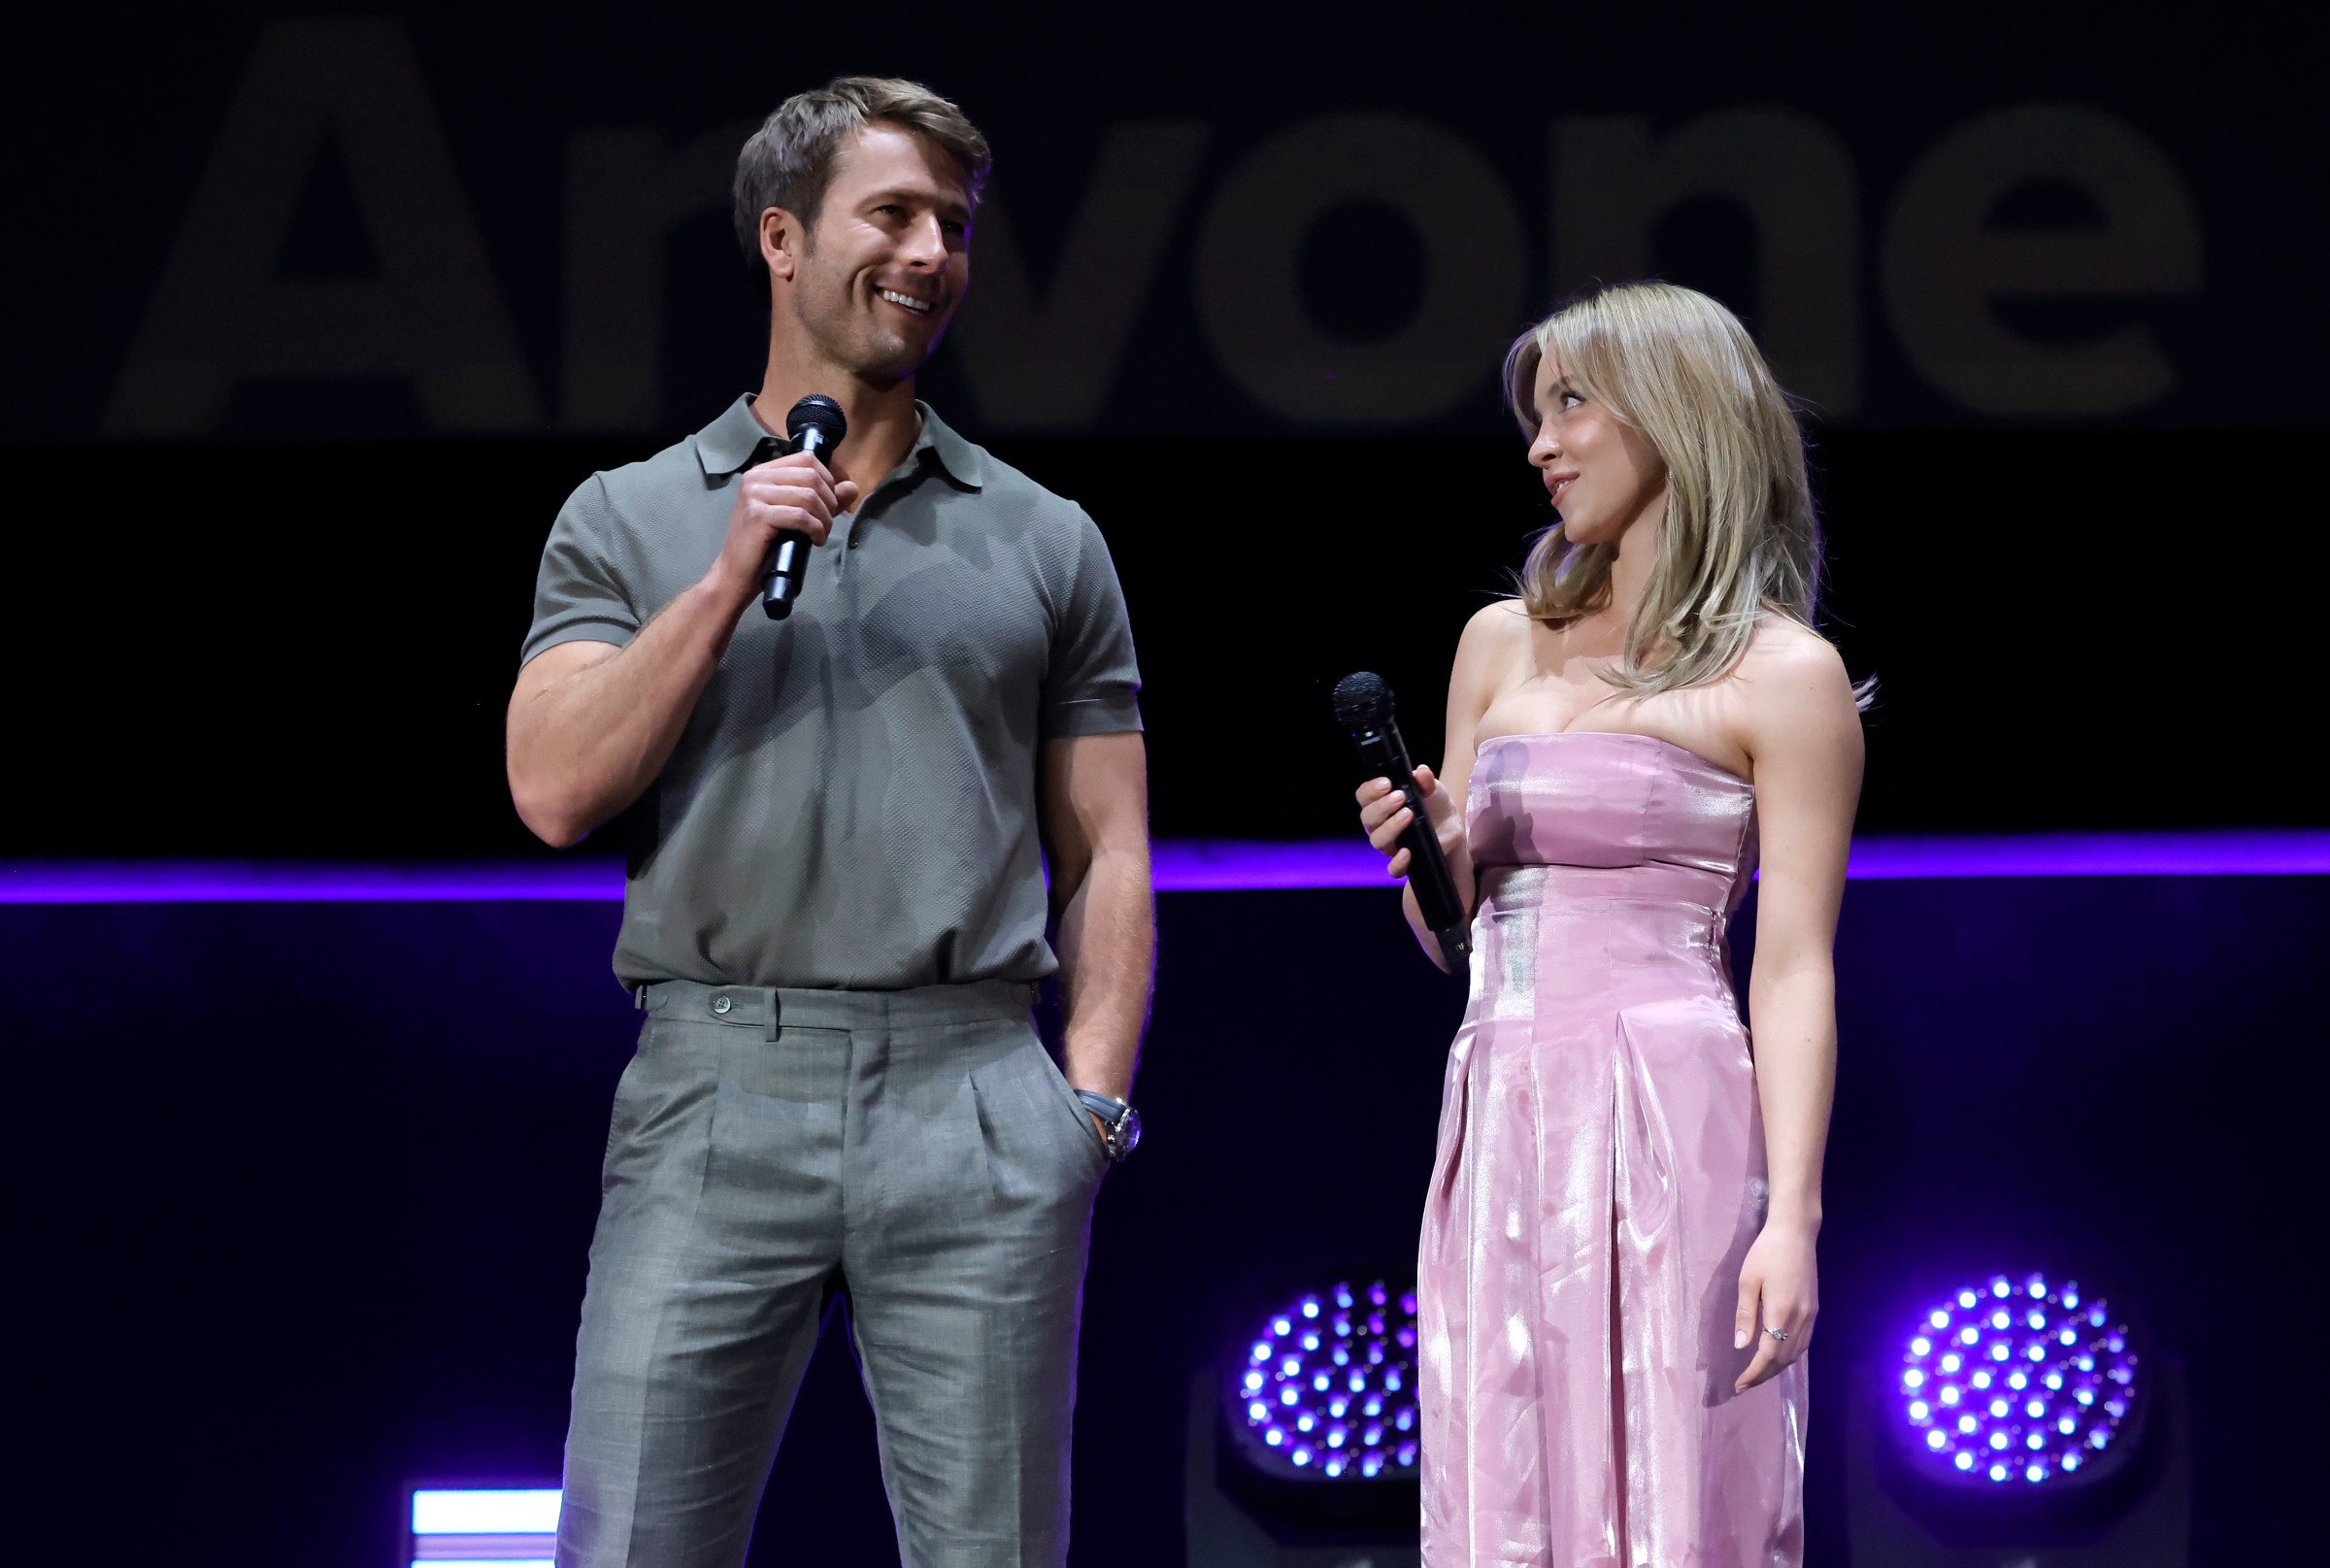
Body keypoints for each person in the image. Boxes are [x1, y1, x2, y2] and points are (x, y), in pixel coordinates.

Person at [506, 77, 1152, 1568]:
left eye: (956, 225)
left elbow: (1109, 845)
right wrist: (729, 573)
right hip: (718, 1084)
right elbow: (552, 790)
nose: (933, 253)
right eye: (896, 214)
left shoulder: (1044, 535)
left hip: (975, 1088)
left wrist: (1089, 1110)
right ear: (784, 240)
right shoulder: (629, 515)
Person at [1353, 282, 1864, 1566]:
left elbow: (1794, 965)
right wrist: (1436, 867)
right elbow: (1454, 945)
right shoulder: (1498, 645)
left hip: (1672, 1112)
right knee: (1508, 1469)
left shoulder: (1781, 675)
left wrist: (1790, 1216)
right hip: (1504, 1103)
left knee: (1679, 1478)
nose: (1541, 443)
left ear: (1679, 418)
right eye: (1538, 411)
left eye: (1573, 404)